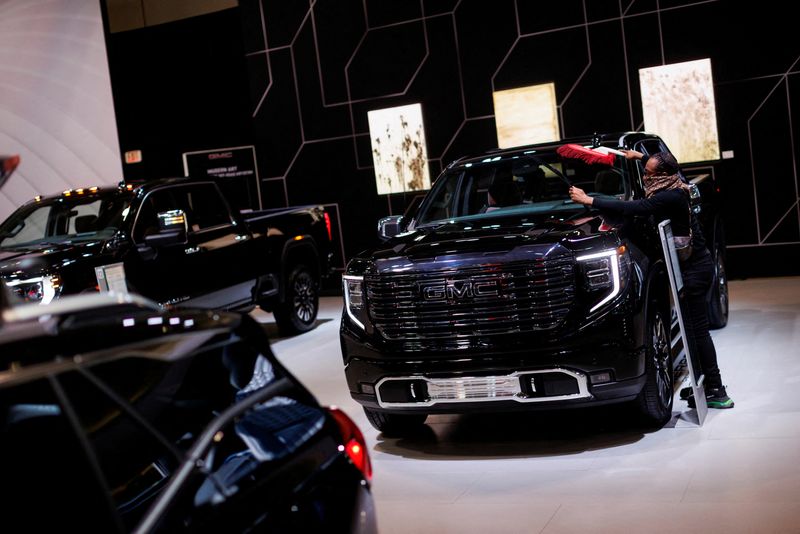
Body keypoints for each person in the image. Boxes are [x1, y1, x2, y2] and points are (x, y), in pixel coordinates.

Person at [569, 150, 734, 409]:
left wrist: (590, 199)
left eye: (649, 173)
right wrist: (639, 155)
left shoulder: (669, 196)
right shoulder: (674, 180)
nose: (645, 176)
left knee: (697, 332)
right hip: (694, 266)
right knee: (692, 332)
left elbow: (634, 207)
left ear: (662, 175)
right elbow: (657, 165)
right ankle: (705, 385)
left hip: (694, 271)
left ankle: (716, 389)